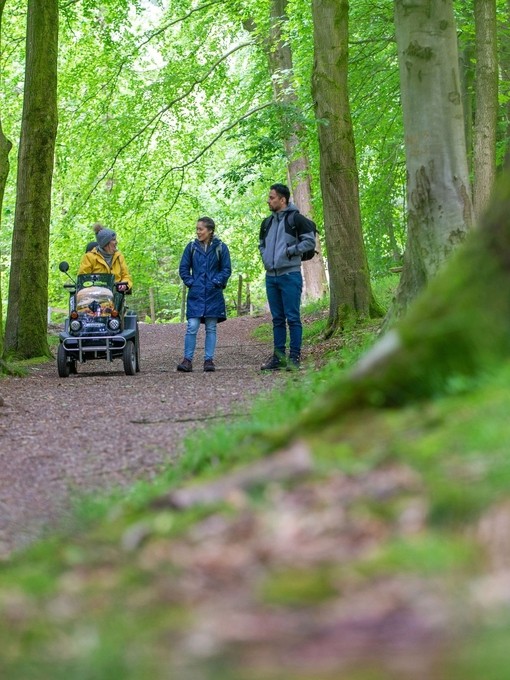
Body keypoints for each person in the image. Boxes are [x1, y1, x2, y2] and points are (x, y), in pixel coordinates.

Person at [259, 183, 315, 371]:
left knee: (292, 317)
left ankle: (294, 358)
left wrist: (290, 251)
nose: (269, 200)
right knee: (277, 319)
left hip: (290, 275)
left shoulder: (296, 219)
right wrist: (266, 258)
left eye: (272, 197)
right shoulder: (266, 223)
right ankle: (278, 358)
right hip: (271, 277)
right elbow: (262, 245)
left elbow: (309, 241)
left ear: (283, 200)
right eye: (269, 197)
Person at [177, 217, 231, 373]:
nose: (198, 232)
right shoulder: (191, 247)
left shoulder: (221, 247)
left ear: (210, 230)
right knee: (192, 326)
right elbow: (183, 269)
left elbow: (226, 269)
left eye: (200, 229)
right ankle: (187, 360)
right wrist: (192, 283)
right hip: (196, 293)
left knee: (211, 327)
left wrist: (216, 282)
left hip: (214, 294)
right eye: (197, 229)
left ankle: (208, 360)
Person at [78, 227, 133, 295]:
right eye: (113, 240)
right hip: (95, 296)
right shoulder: (89, 257)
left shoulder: (119, 257)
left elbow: (126, 276)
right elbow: (83, 279)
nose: (116, 242)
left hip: (116, 296)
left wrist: (125, 285)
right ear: (106, 243)